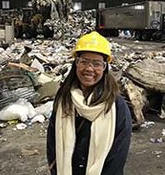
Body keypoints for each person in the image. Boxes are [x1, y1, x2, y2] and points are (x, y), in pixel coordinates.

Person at [47, 31, 132, 175]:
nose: (89, 69)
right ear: (76, 63)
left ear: (105, 68)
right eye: (84, 61)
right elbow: (52, 142)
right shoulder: (64, 98)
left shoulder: (116, 105)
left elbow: (118, 153)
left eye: (96, 63)